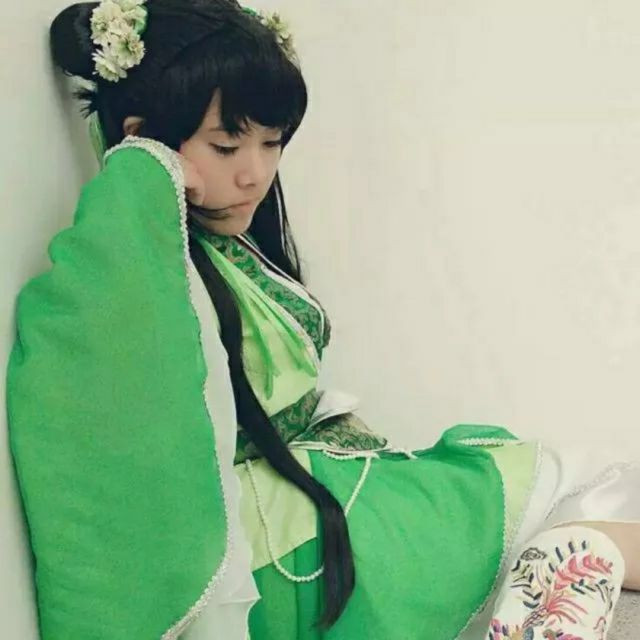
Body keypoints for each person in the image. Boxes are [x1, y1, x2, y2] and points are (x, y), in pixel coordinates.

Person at [6, 1, 640, 638]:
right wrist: (144, 168)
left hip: (303, 488)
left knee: (561, 483)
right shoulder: (140, 268)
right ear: (147, 142)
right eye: (226, 146)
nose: (255, 173)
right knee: (560, 496)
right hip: (269, 534)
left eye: (272, 142)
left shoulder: (216, 248)